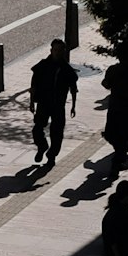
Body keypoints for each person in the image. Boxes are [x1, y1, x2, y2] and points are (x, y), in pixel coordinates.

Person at [30, 38, 78, 168]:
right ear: (51, 50)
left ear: (63, 51)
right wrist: (31, 102)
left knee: (57, 133)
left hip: (58, 105)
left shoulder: (66, 70)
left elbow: (73, 88)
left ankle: (51, 156)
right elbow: (33, 84)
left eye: (60, 50)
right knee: (37, 129)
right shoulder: (43, 65)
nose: (57, 53)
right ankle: (42, 146)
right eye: (55, 50)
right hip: (43, 103)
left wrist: (73, 106)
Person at [103, 59, 128, 183]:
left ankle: (117, 162)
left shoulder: (113, 69)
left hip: (116, 108)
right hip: (124, 109)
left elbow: (105, 84)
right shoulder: (114, 70)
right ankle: (119, 160)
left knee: (113, 135)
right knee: (122, 137)